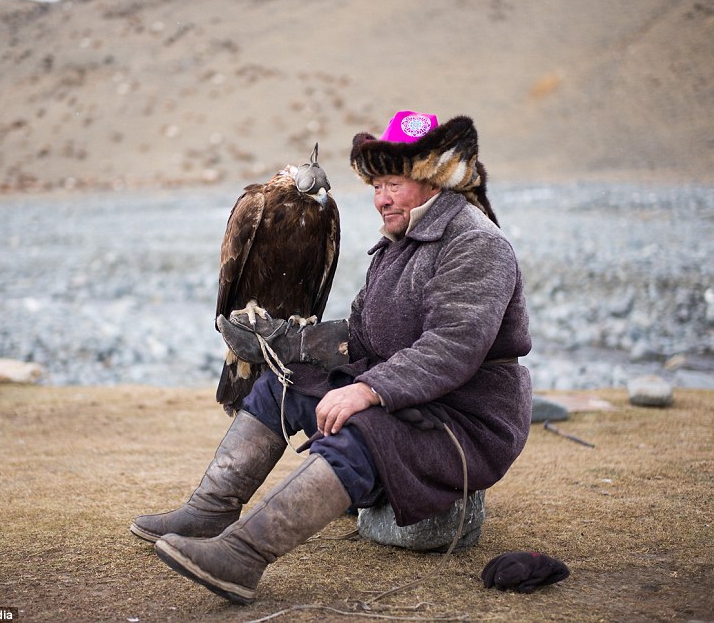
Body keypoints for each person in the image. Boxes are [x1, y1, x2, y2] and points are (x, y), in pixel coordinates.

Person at [130, 110, 533, 605]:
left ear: (435, 182)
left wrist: (367, 390)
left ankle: (241, 556)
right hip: (412, 398)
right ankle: (210, 509)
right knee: (288, 383)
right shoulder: (397, 246)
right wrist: (287, 344)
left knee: (360, 432)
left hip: (463, 420)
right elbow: (362, 335)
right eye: (376, 185)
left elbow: (452, 347)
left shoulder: (475, 243)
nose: (380, 198)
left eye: (393, 184)